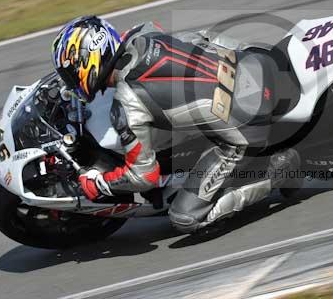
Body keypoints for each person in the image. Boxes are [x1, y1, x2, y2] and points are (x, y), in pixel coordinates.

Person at [52, 15, 300, 233]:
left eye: (70, 72)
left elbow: (145, 177)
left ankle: (278, 171)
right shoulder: (143, 34)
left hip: (248, 126)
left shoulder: (127, 104)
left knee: (185, 218)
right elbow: (196, 37)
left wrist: (100, 183)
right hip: (257, 61)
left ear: (88, 62)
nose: (69, 81)